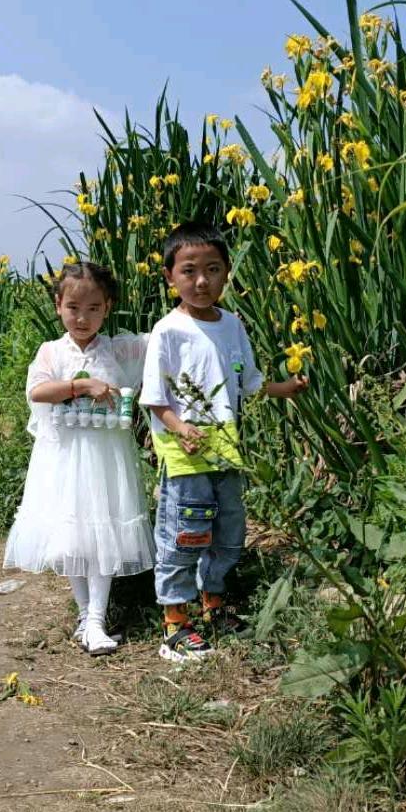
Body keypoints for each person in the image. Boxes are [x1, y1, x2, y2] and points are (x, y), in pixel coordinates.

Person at [141, 222, 307, 663]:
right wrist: (180, 428)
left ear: (227, 272)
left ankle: (213, 603)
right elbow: (155, 399)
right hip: (186, 451)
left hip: (227, 446)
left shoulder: (232, 324)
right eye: (189, 270)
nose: (201, 281)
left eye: (212, 269)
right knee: (186, 532)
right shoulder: (168, 331)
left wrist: (284, 388)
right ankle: (174, 621)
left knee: (228, 529)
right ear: (169, 276)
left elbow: (247, 382)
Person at [3, 260, 154, 654]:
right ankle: (87, 616)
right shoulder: (51, 352)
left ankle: (95, 620)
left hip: (105, 457)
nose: (82, 318)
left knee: (103, 530)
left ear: (108, 308)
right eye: (73, 308)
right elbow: (37, 392)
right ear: (58, 305)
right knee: (73, 536)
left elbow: (160, 341)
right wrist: (80, 385)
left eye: (93, 309)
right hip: (65, 457)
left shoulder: (119, 349)